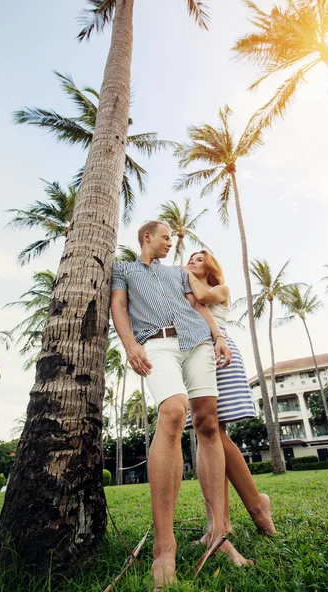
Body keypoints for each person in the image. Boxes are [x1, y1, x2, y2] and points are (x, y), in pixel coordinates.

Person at [110, 221, 246, 590]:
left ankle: (218, 535)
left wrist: (218, 336)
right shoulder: (123, 270)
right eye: (167, 237)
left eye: (173, 238)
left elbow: (198, 306)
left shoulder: (178, 274)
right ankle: (163, 547)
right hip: (155, 343)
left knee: (207, 423)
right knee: (173, 411)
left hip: (198, 342)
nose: (172, 243)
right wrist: (130, 344)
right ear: (147, 237)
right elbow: (118, 307)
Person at [183, 251, 276, 543]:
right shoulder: (185, 288)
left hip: (219, 351)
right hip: (194, 352)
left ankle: (255, 507)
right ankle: (220, 524)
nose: (191, 261)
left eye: (198, 259)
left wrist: (185, 277)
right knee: (208, 434)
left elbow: (200, 297)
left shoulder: (218, 289)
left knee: (212, 433)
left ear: (210, 269)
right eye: (190, 259)